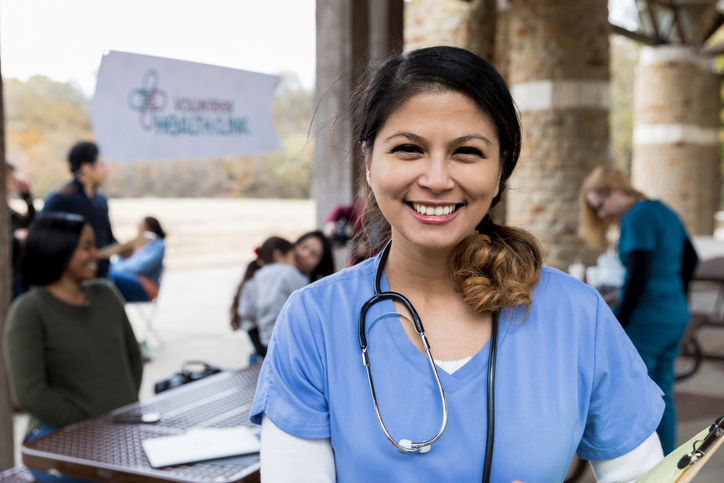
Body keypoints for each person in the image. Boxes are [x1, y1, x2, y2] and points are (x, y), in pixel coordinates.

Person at [249, 46, 666, 483]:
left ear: (501, 169)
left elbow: (644, 475)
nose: (436, 179)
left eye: (466, 152)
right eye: (409, 148)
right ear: (369, 163)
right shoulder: (313, 321)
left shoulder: (578, 315)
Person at [3, 212, 143, 483]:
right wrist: (88, 425)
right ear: (58, 248)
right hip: (56, 437)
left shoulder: (107, 294)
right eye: (86, 247)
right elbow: (29, 393)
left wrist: (121, 410)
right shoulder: (29, 310)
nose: (96, 254)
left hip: (119, 432)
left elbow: (133, 357)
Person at [580, 165, 698, 455]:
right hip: (673, 314)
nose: (602, 214)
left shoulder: (637, 216)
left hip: (647, 320)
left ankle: (638, 465)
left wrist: (617, 323)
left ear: (616, 190)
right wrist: (676, 297)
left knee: (633, 398)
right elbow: (691, 258)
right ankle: (664, 463)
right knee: (662, 391)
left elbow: (638, 277)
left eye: (600, 204)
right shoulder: (663, 210)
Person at [42, 141, 116, 278]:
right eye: (101, 165)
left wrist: (124, 248)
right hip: (72, 278)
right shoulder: (61, 198)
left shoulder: (101, 200)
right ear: (86, 167)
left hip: (103, 275)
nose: (106, 170)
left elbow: (107, 237)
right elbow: (41, 236)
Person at [230, 237, 310, 358]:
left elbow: (245, 311)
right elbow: (307, 299)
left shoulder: (254, 276)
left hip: (263, 343)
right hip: (287, 344)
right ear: (277, 255)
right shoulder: (289, 272)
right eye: (293, 258)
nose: (295, 263)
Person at [110, 216, 167, 302]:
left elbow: (138, 268)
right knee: (104, 276)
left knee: (108, 276)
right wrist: (123, 253)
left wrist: (114, 269)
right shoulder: (137, 246)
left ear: (150, 231)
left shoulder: (158, 245)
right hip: (129, 279)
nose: (138, 231)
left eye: (140, 227)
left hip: (146, 286)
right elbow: (121, 264)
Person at [6, 162, 36, 298]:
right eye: (11, 178)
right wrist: (15, 239)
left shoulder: (9, 211)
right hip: (8, 279)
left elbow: (32, 224)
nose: (15, 182)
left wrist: (26, 196)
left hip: (20, 275)